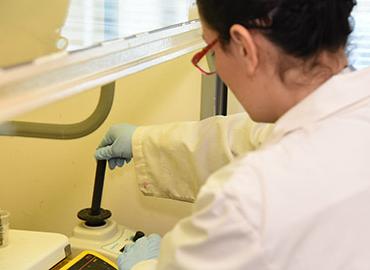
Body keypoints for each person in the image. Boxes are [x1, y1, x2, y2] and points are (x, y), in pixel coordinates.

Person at [96, 0, 370, 269]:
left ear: (243, 47)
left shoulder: (247, 204)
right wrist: (143, 142)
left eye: (210, 49)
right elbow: (252, 138)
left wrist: (141, 266)